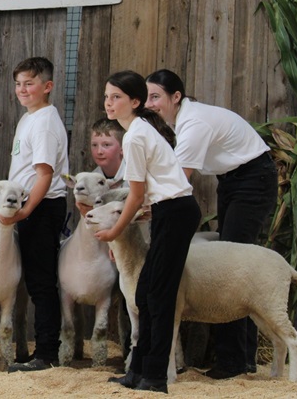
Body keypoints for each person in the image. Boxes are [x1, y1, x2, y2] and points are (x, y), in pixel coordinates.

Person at [145, 68, 277, 379]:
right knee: (232, 260)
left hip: (253, 180)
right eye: (147, 97)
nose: (150, 103)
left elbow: (177, 181)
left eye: (156, 97)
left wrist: (137, 206)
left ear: (176, 97)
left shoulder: (193, 124)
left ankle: (235, 361)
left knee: (233, 265)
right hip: (233, 181)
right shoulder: (180, 121)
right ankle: (238, 359)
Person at [96, 70, 201, 394]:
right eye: (107, 97)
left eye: (117, 97)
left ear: (135, 102)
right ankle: (137, 369)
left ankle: (154, 376)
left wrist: (115, 230)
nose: (109, 103)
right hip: (167, 210)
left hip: (176, 212)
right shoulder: (137, 131)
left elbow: (137, 195)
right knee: (144, 294)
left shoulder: (137, 136)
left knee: (159, 295)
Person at [4, 57, 69, 372]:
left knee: (42, 282)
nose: (22, 90)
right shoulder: (29, 117)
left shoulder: (44, 121)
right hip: (30, 206)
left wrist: (26, 211)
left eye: (29, 83)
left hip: (41, 206)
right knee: (35, 280)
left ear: (47, 86)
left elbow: (44, 174)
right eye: (18, 84)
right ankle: (41, 351)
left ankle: (47, 353)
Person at [90, 117, 125, 181]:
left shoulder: (134, 175)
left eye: (106, 145)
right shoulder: (91, 180)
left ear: (122, 148)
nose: (99, 151)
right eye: (94, 145)